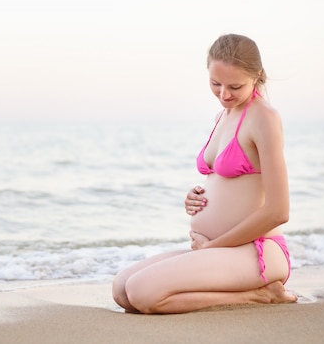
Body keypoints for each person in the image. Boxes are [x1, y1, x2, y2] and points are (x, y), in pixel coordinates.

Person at [112, 33, 297, 314]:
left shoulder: (264, 118)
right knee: (122, 289)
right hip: (219, 251)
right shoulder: (222, 116)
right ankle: (250, 287)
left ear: (256, 75)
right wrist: (197, 197)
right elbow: (230, 184)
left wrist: (213, 247)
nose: (224, 94)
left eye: (235, 86)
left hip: (257, 251)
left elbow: (278, 211)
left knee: (142, 294)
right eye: (215, 84)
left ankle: (261, 295)